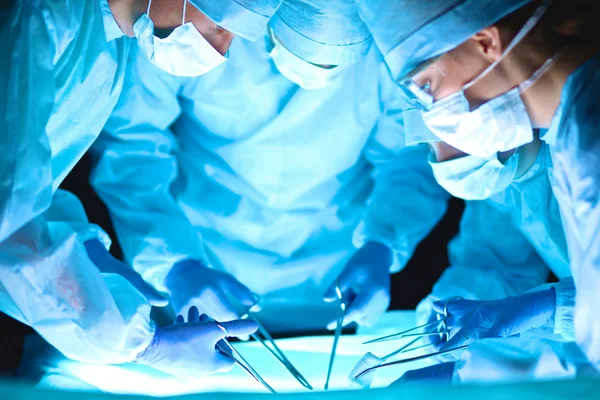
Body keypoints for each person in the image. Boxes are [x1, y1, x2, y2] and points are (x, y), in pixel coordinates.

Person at [90, 0, 454, 335]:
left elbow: (407, 160)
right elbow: (133, 150)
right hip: (200, 275)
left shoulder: (388, 53)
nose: (321, 77)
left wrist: (383, 242)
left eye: (335, 63)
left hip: (331, 287)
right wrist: (173, 262)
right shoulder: (207, 30)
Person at [0, 0, 282, 378]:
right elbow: (9, 225)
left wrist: (85, 248)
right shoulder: (40, 16)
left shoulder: (109, 39)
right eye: (220, 25)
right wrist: (143, 344)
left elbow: (29, 182)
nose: (223, 49)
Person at [358, 0, 600, 379]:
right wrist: (444, 352)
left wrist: (554, 307)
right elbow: (491, 261)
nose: (438, 134)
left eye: (427, 86)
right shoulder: (560, 133)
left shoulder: (588, 128)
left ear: (485, 41)